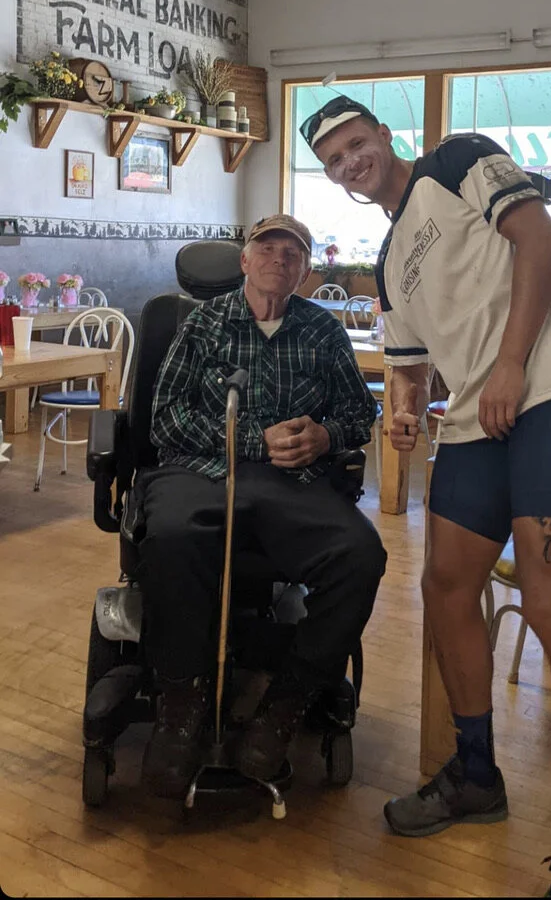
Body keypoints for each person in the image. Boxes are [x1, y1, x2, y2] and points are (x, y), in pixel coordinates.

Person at [302, 94, 551, 898]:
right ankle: (477, 773)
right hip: (473, 417)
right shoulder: (389, 261)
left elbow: (542, 240)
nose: (351, 162)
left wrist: (511, 363)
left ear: (384, 136)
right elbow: (410, 363)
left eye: (357, 142)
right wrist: (404, 411)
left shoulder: (455, 160)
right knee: (446, 586)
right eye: (335, 159)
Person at [138, 213, 385, 798]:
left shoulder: (322, 331)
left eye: (292, 253)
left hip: (291, 484)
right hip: (200, 471)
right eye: (267, 248)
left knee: (360, 555)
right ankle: (181, 701)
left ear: (305, 271)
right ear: (244, 261)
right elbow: (164, 418)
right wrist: (252, 441)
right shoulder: (202, 324)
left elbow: (359, 414)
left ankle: (286, 703)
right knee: (171, 537)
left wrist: (325, 436)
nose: (279, 259)